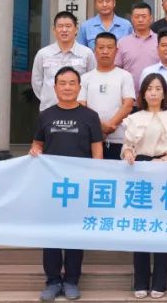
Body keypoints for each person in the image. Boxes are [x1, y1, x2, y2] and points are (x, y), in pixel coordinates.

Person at [29, 67, 104, 302]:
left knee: (74, 234)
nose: (68, 87)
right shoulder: (46, 115)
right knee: (51, 235)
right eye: (63, 83)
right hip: (51, 186)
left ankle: (71, 280)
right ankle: (52, 281)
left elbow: (97, 151)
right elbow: (37, 144)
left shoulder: (90, 116)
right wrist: (35, 150)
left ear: (79, 87)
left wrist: (94, 179)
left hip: (79, 187)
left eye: (72, 83)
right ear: (55, 88)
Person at [122, 73, 167, 299]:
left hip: (164, 172)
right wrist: (128, 153)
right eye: (149, 88)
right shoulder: (133, 118)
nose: (153, 92)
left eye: (158, 88)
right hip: (138, 173)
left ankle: (160, 282)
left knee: (161, 229)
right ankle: (140, 281)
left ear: (164, 93)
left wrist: (165, 160)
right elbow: (127, 146)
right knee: (140, 227)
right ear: (143, 94)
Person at [78, 32, 136, 160]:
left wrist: (110, 126)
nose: (105, 51)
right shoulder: (85, 78)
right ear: (95, 50)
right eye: (101, 47)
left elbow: (128, 105)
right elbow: (82, 106)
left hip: (119, 139)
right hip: (91, 138)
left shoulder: (125, 76)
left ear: (116, 51)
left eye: (109, 48)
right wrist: (99, 126)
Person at [32, 11, 96, 112]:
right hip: (49, 109)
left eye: (68, 26)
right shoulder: (43, 54)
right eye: (60, 26)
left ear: (76, 29)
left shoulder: (87, 53)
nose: (64, 30)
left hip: (79, 110)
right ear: (54, 30)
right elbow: (37, 82)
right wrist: (48, 98)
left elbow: (92, 81)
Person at [117, 2, 160, 91]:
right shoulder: (122, 43)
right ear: (132, 19)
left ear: (151, 19)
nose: (140, 20)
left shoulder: (160, 41)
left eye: (144, 16)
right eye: (137, 17)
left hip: (155, 94)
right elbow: (117, 69)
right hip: (129, 94)